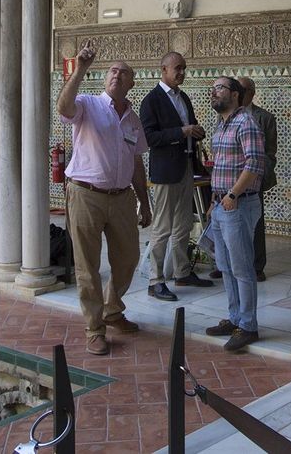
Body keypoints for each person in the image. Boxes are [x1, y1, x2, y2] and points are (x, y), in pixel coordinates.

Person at [56, 45, 154, 356]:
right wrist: (81, 69)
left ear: (131, 83)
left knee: (127, 259)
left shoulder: (133, 120)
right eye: (112, 70)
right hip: (85, 194)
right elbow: (63, 107)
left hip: (122, 197)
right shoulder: (87, 105)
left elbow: (137, 161)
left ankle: (113, 311)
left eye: (123, 72)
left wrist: (144, 200)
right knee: (87, 265)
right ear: (106, 78)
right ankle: (94, 328)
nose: (117, 74)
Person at [139, 52, 213, 302]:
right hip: (166, 172)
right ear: (164, 69)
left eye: (184, 68)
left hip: (186, 168)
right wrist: (181, 131)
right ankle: (155, 280)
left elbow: (189, 127)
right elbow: (149, 138)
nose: (182, 72)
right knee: (162, 227)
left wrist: (196, 132)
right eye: (177, 68)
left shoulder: (184, 98)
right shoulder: (152, 101)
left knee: (183, 224)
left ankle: (182, 272)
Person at [200, 76, 266, 352]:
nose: (214, 93)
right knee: (226, 267)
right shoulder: (222, 125)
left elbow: (255, 164)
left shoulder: (246, 122)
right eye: (213, 89)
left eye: (219, 89)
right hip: (221, 205)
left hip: (238, 204)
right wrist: (216, 199)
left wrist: (232, 194)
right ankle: (235, 317)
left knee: (242, 268)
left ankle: (248, 325)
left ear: (236, 95)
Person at [239, 76, 277, 282]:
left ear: (252, 93)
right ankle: (225, 262)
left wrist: (260, 173)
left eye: (243, 89)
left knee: (256, 221)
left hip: (254, 177)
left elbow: (270, 153)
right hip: (232, 179)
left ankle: (257, 266)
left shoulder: (265, 118)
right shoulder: (227, 115)